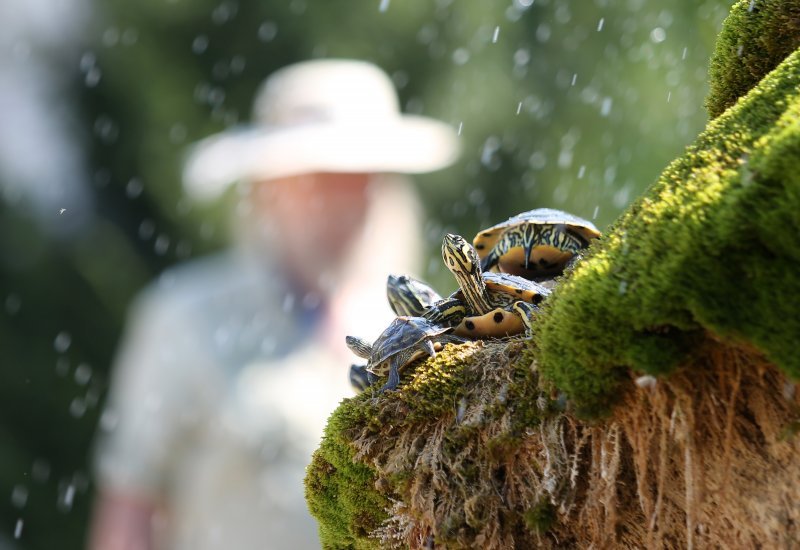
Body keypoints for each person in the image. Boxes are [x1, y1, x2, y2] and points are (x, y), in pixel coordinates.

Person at [88, 59, 459, 550]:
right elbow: (130, 506)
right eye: (317, 177)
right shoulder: (184, 318)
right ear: (266, 189)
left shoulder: (422, 324)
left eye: (361, 175)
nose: (342, 198)